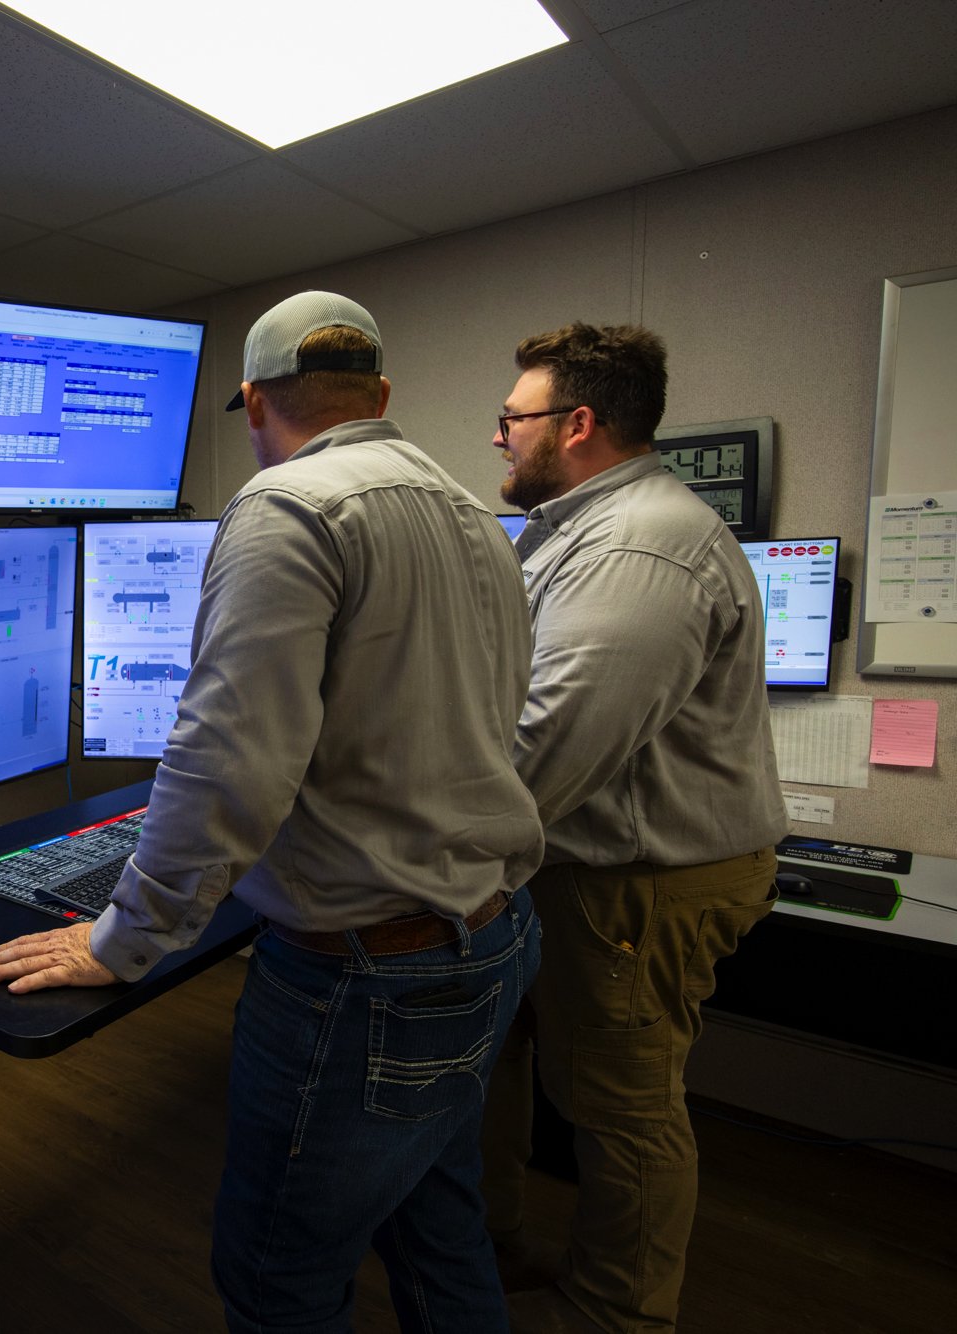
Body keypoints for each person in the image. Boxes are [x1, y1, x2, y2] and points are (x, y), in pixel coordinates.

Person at [0, 291, 544, 1334]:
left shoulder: (288, 509)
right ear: (380, 396)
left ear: (250, 404)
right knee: (437, 1232)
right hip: (490, 937)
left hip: (365, 972)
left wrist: (124, 935)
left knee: (276, 1277)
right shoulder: (477, 513)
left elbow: (225, 760)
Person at [479, 323, 786, 1334]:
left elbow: (547, 747)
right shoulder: (574, 529)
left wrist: (407, 837)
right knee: (510, 1058)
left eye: (509, 419)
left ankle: (617, 1313)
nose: (496, 439)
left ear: (574, 423)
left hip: (635, 883)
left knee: (621, 1106)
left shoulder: (640, 544)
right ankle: (492, 1244)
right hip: (571, 865)